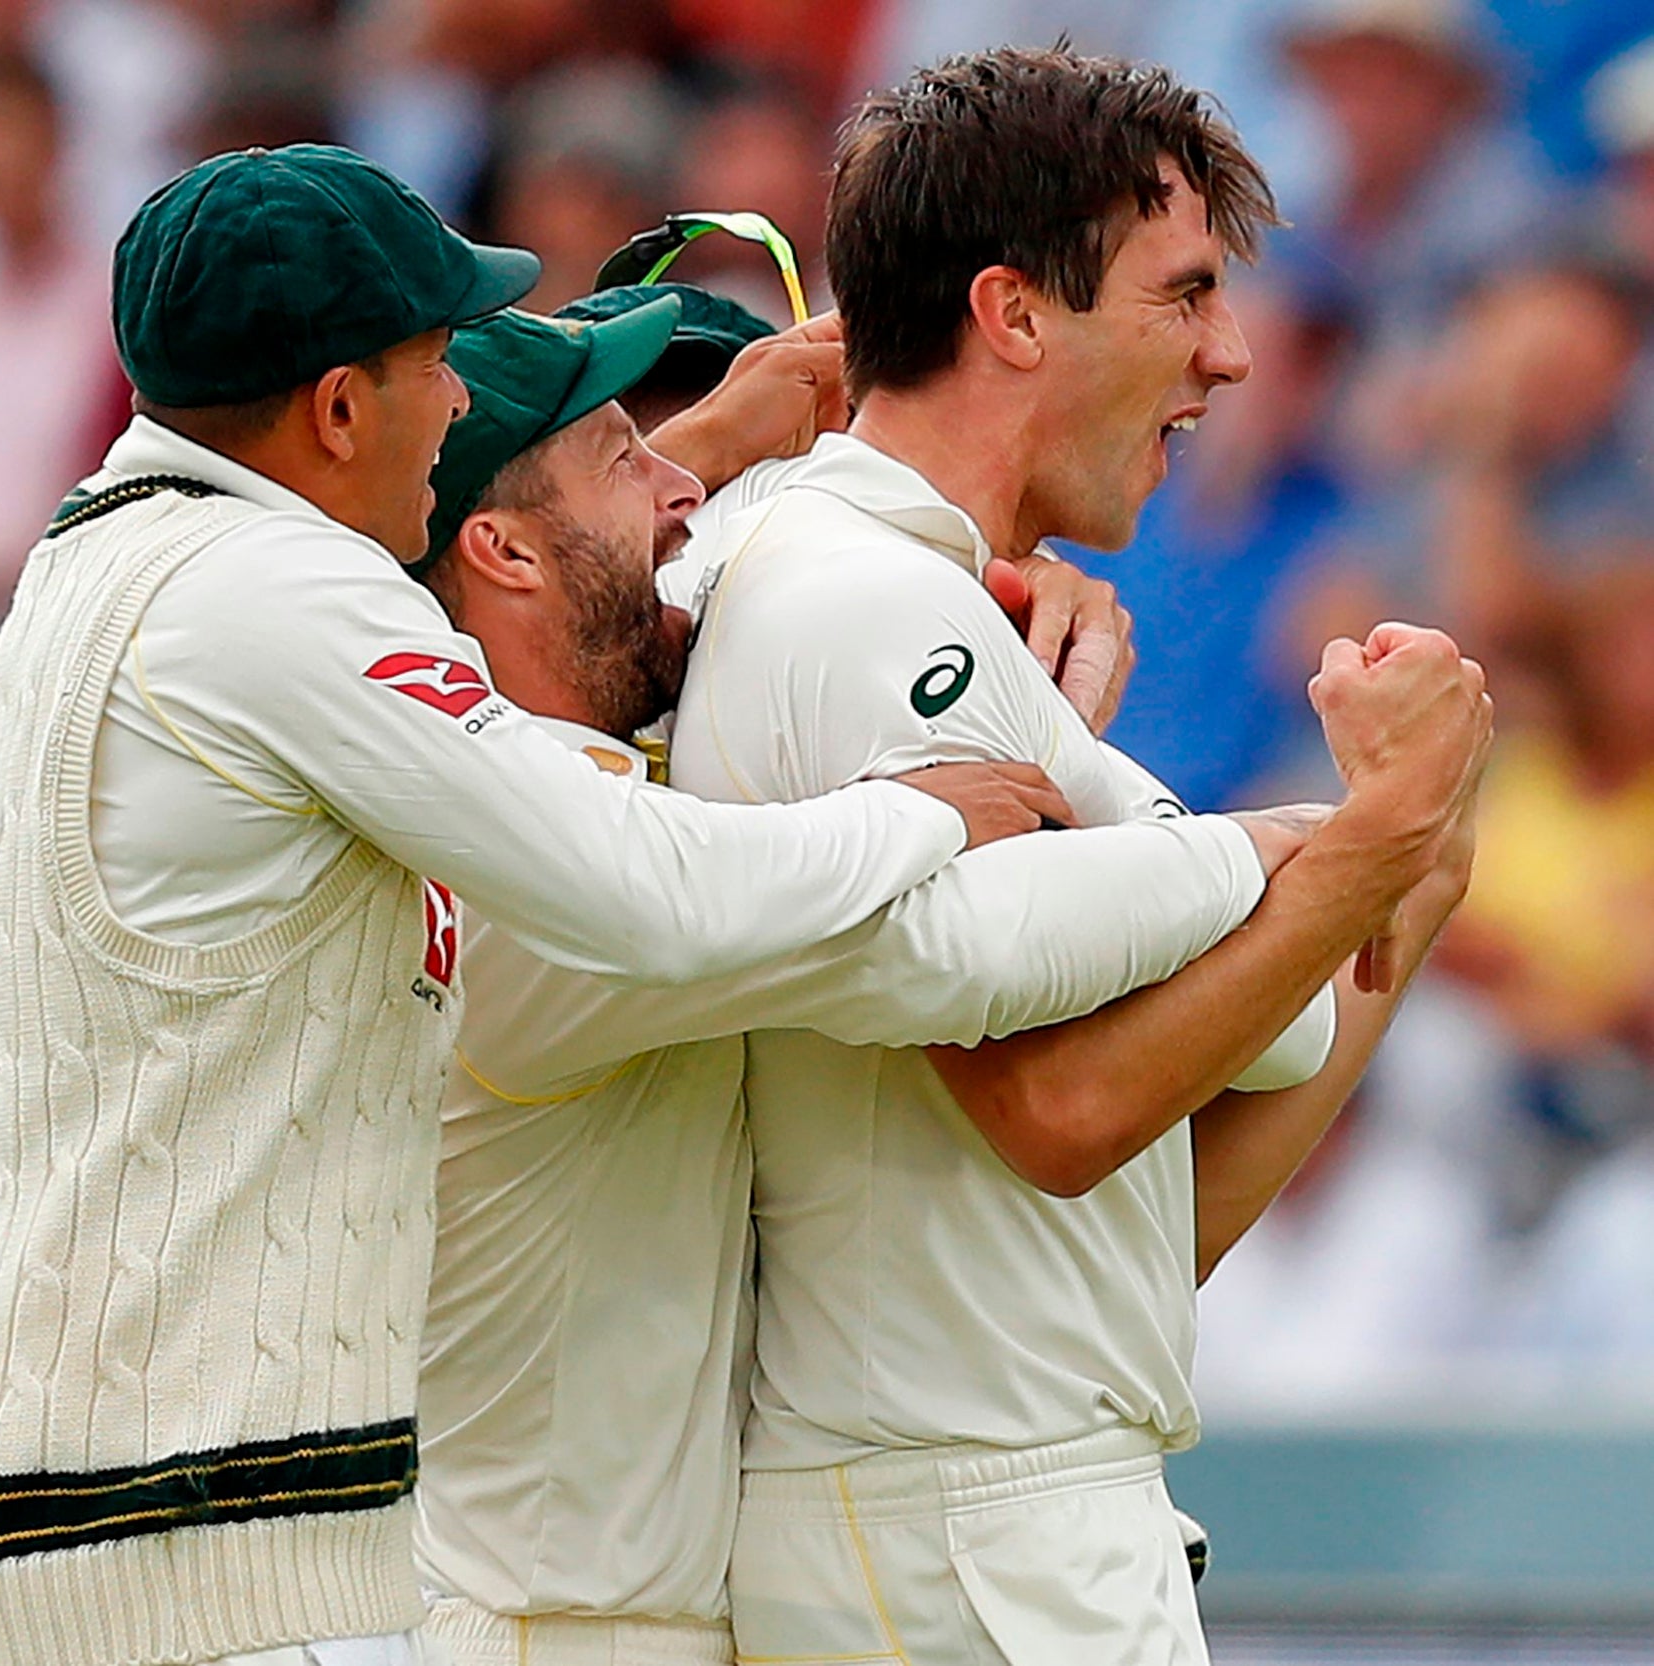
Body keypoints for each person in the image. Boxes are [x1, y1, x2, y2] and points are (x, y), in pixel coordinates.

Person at [0, 143, 1074, 1666]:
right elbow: (636, 889)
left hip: (71, 1512)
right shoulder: (292, 592)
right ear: (335, 409)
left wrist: (695, 453)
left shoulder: (86, 572)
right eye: (435, 361)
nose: (454, 401)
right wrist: (922, 806)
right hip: (213, 1538)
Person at [664, 49, 1492, 1661]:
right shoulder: (859, 602)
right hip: (957, 1544)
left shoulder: (913, 596)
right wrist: (1354, 842)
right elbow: (1054, 1113)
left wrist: (1404, 887)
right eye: (1182, 294)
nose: (1233, 355)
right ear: (1016, 313)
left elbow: (1126, 1231)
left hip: (1002, 1524)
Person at [407, 304, 1322, 1665]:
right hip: (547, 1628)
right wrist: (1287, 855)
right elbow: (941, 949)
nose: (681, 492)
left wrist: (978, 594)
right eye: (621, 453)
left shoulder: (605, 767)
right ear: (504, 551)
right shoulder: (535, 881)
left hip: (657, 1609)